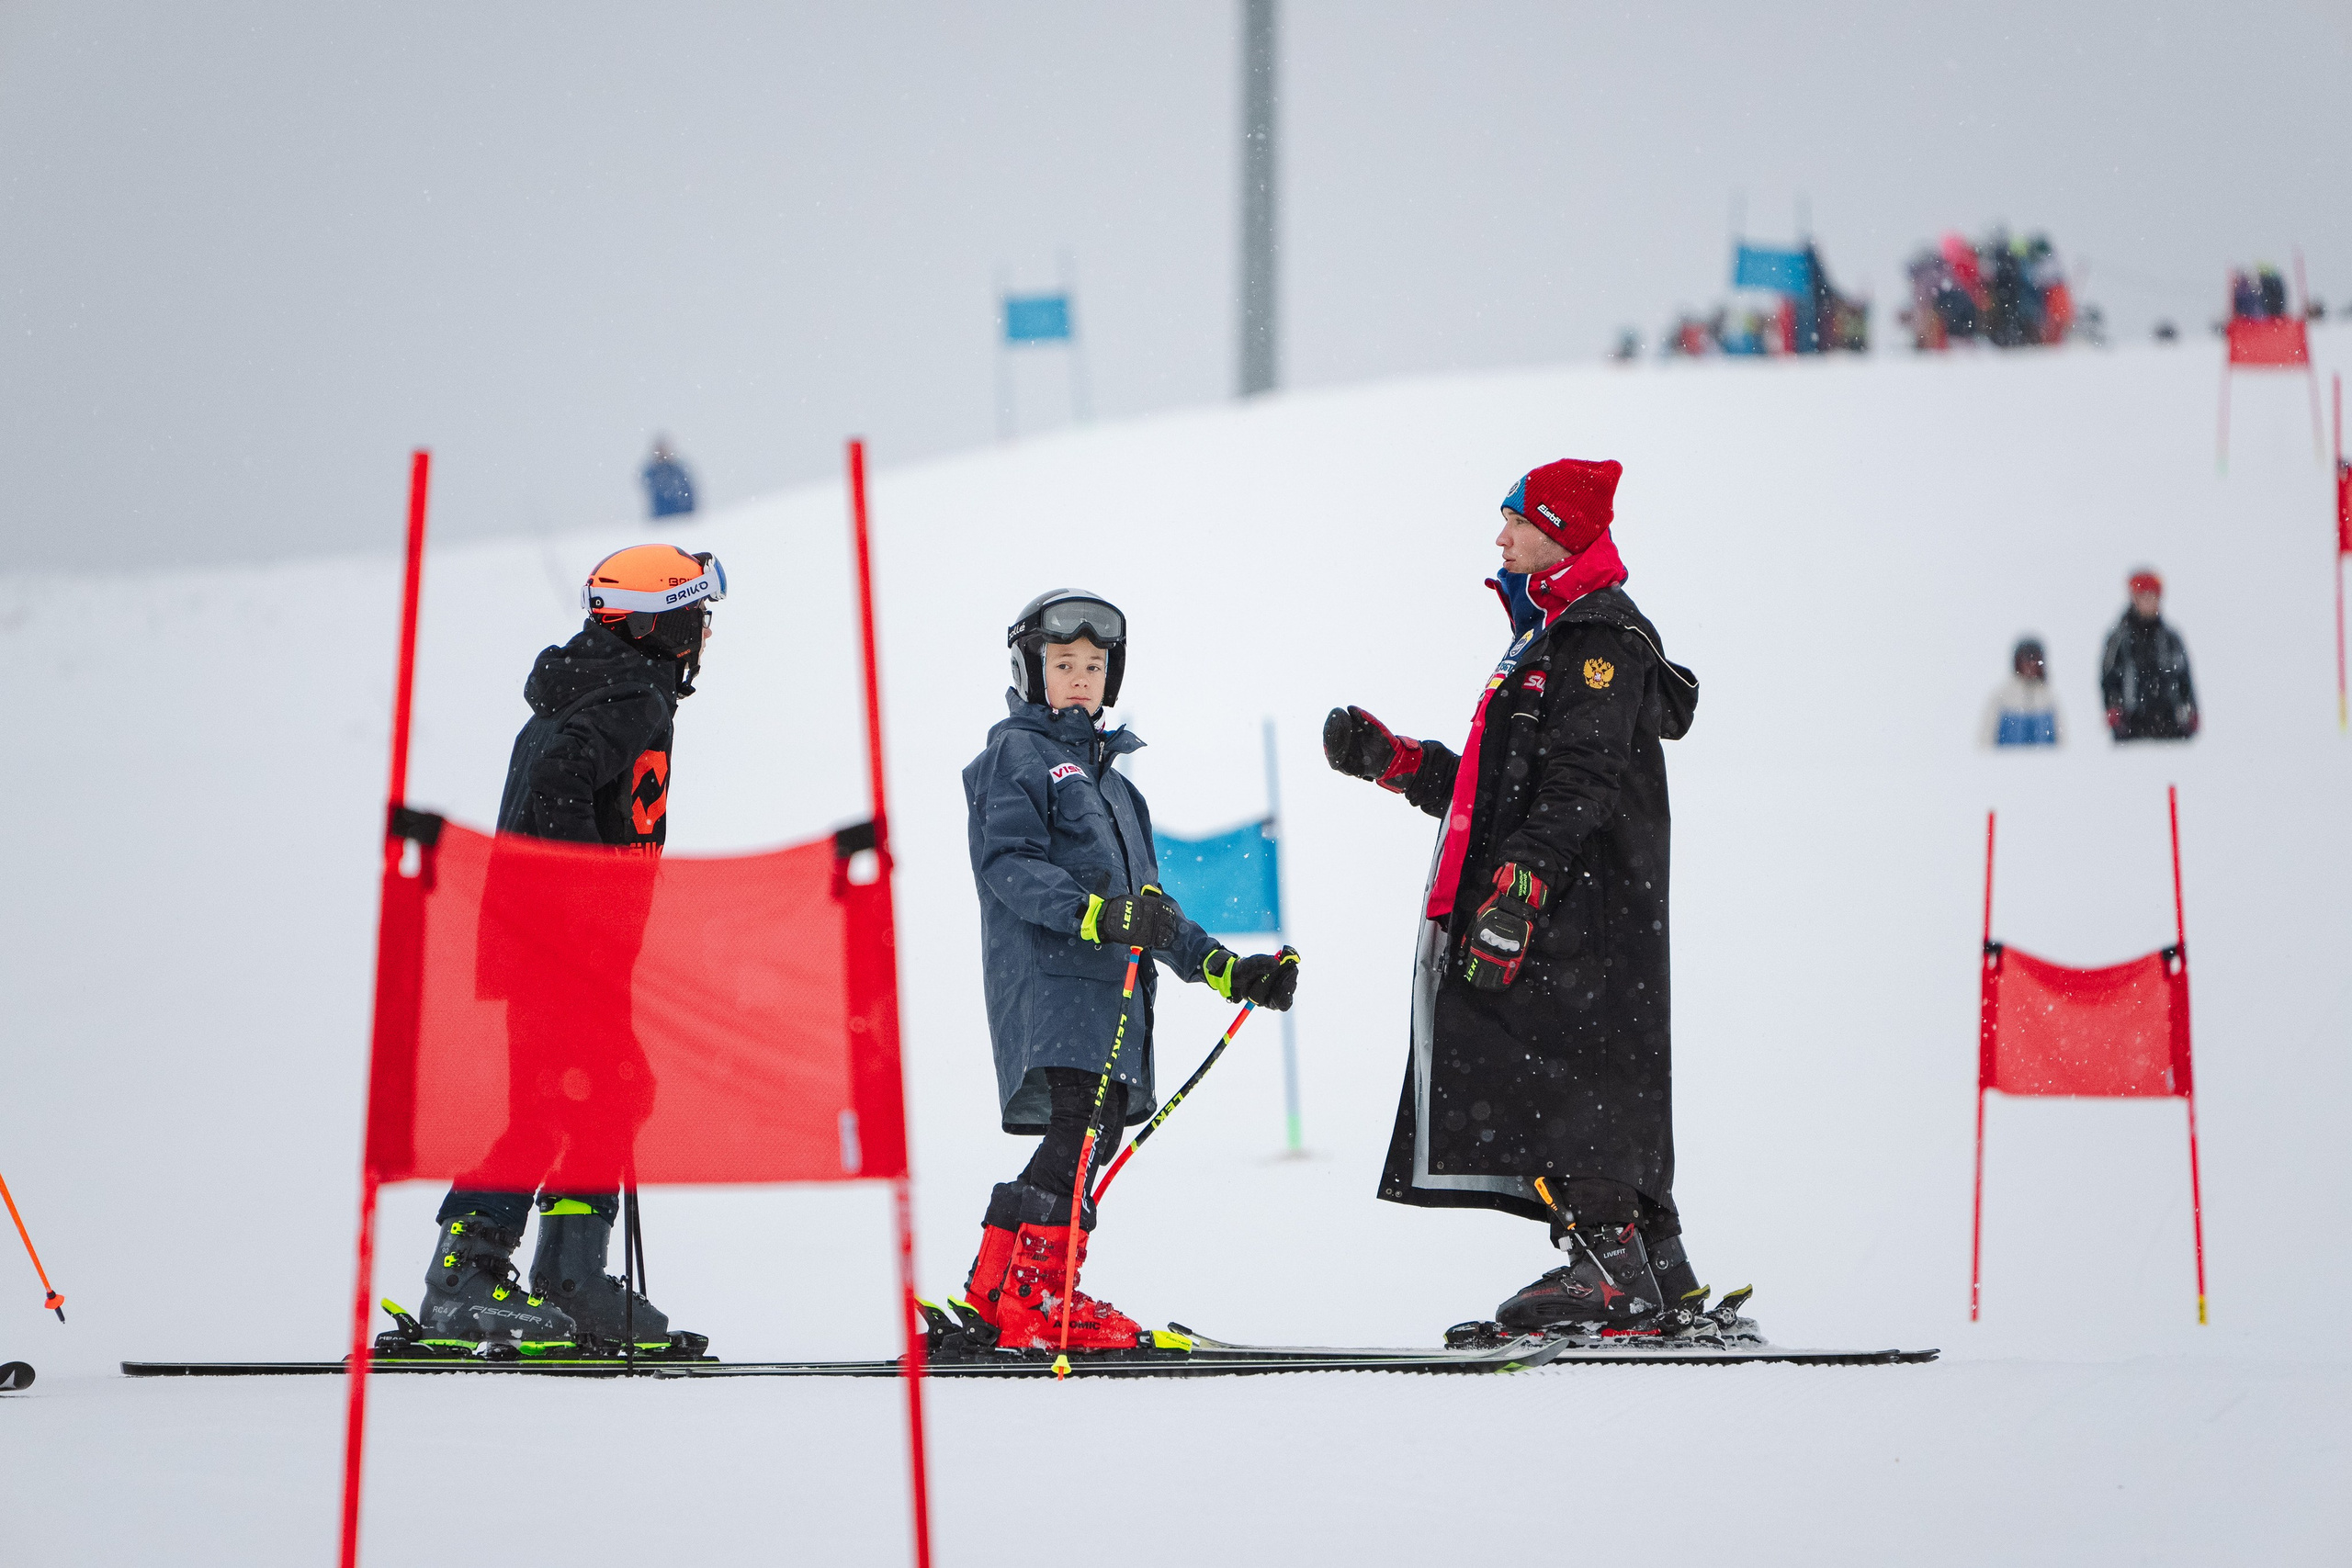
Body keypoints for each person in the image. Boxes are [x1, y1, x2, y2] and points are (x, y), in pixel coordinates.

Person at [1325, 459, 1750, 1345]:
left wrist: (1518, 891)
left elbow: (1577, 785)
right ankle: (1656, 1267)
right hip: (1574, 907)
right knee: (1584, 1066)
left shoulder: (1596, 638)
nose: (1501, 535)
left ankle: (1609, 1266)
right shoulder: (1551, 634)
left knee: (1558, 1068)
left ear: (1560, 529)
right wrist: (1396, 760)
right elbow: (1500, 794)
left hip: (1582, 913)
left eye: (1514, 518)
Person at [956, 591, 1300, 1352]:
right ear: (1029, 669)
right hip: (1054, 982)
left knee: (1092, 1127)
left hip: (1114, 997)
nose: (1080, 677)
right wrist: (1097, 916)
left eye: (1094, 665)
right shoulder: (1018, 755)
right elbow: (1008, 865)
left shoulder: (1117, 785)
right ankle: (1042, 1300)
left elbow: (1150, 907)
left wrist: (1228, 969)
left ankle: (999, 1287)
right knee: (1081, 1125)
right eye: (1064, 663)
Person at [417, 544, 725, 1355]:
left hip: (579, 946)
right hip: (556, 945)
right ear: (656, 628)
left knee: (610, 1092)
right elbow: (554, 797)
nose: (702, 638)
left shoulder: (615, 691)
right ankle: (461, 1274)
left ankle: (572, 1271)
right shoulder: (619, 701)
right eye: (694, 621)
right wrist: (583, 913)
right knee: (554, 1102)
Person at [2100, 570, 2199, 741]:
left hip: (2169, 722)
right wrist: (2112, 708)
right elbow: (2109, 677)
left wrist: (2192, 710)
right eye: (2143, 597)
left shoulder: (2170, 639)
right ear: (2134, 599)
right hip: (2131, 724)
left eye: (2152, 597)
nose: (2148, 602)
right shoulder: (2119, 639)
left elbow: (2184, 678)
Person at [1980, 637, 2064, 747]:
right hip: (2007, 761)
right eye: (2026, 661)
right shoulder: (2002, 696)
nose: (2030, 666)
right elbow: (1985, 739)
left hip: (2043, 762)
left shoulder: (2048, 698)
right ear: (2018, 663)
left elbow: (2062, 740)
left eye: (2035, 661)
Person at [642, 437, 697, 520]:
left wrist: (690, 510)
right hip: (660, 517)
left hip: (681, 515)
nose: (661, 453)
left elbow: (688, 490)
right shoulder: (652, 472)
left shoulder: (677, 469)